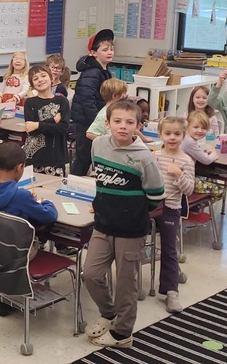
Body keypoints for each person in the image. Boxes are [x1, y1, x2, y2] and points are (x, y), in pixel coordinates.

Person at [84, 100, 166, 349]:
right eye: (117, 121)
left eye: (130, 122)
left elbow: (156, 195)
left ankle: (122, 333)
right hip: (103, 224)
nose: (123, 126)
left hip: (131, 229)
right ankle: (109, 314)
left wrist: (131, 211)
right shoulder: (98, 145)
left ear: (138, 126)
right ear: (107, 123)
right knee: (91, 274)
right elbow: (100, 179)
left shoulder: (144, 157)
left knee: (126, 283)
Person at [0, 143, 57, 268]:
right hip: (20, 255)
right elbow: (49, 216)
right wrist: (47, 202)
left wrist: (27, 199)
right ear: (20, 167)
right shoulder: (20, 196)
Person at [151, 117, 194, 313]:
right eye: (168, 133)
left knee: (168, 249)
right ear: (160, 135)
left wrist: (178, 174)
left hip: (171, 208)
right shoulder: (155, 156)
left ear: (183, 136)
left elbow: (189, 190)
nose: (172, 137)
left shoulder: (186, 160)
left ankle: (171, 291)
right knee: (133, 240)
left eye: (177, 134)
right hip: (150, 206)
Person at [71, 29, 114, 176]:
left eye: (111, 49)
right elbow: (86, 100)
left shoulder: (103, 70)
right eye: (105, 49)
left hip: (93, 121)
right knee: (83, 158)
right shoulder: (92, 72)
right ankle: (73, 184)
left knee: (88, 157)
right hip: (86, 122)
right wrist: (98, 122)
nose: (110, 52)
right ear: (93, 53)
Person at [23, 65, 71, 176]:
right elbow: (31, 130)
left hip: (56, 156)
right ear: (32, 85)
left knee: (55, 190)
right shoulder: (30, 103)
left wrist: (38, 125)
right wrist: (53, 120)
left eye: (43, 76)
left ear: (52, 79)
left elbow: (63, 128)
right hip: (34, 156)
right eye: (35, 79)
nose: (40, 80)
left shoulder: (62, 101)